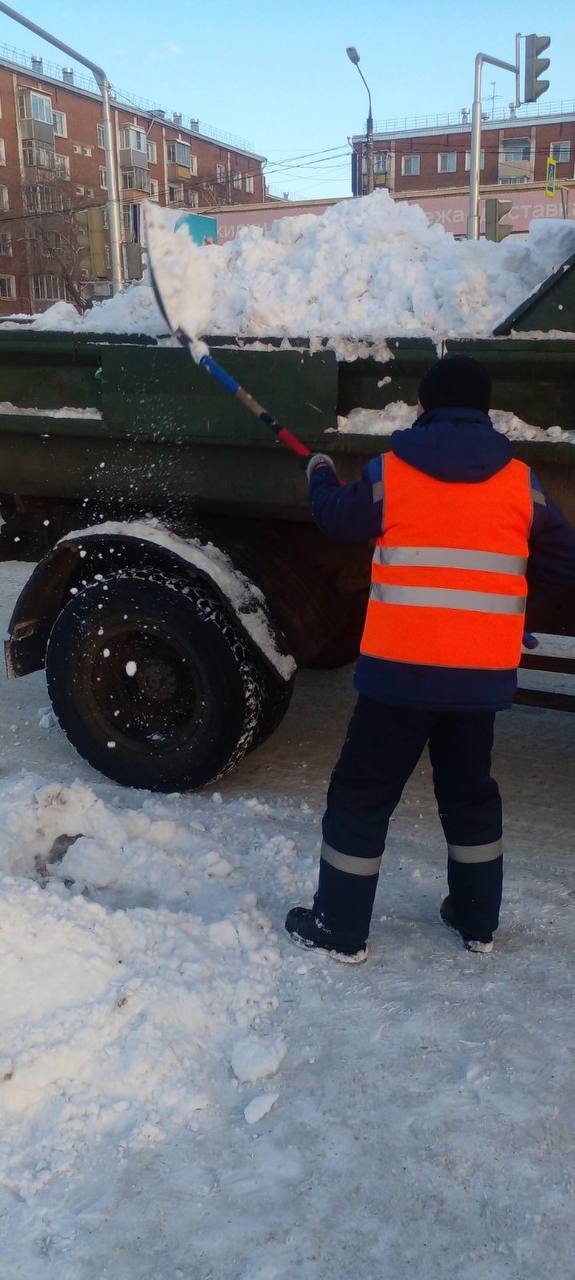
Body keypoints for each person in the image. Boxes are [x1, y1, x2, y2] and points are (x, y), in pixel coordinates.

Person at [285, 355, 575, 963]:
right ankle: (476, 923)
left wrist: (318, 474)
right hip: (479, 680)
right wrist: (511, 607)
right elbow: (561, 559)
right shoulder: (520, 482)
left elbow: (337, 519)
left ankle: (340, 927)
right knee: (470, 794)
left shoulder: (390, 473)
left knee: (363, 794)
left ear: (425, 406)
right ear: (484, 409)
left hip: (399, 675)